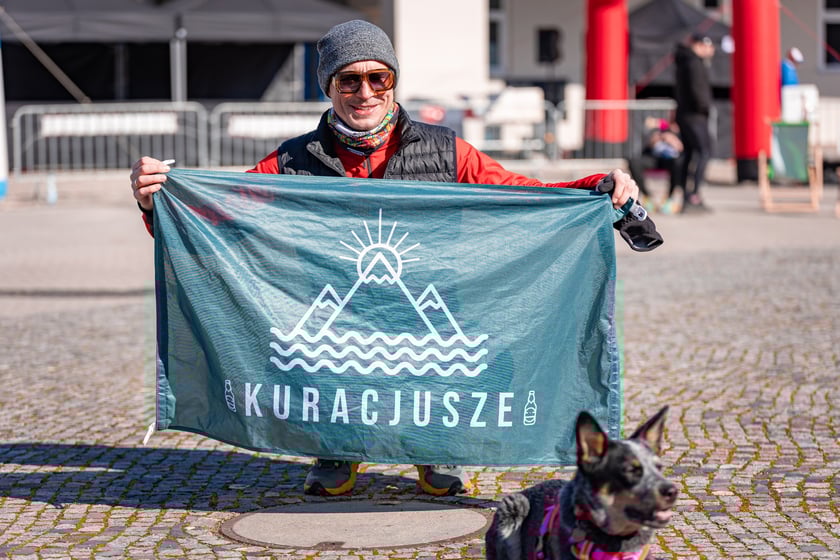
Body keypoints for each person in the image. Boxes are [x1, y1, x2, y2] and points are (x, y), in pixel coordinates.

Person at [129, 20, 639, 498]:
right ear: (328, 87)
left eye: (378, 77)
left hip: (433, 305)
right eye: (348, 80)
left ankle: (436, 445)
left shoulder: (446, 152)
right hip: (335, 317)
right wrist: (159, 202)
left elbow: (523, 195)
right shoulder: (289, 163)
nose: (365, 92)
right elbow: (222, 218)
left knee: (455, 369)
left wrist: (593, 190)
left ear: (394, 82)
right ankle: (336, 445)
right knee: (322, 366)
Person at [673, 33, 715, 213]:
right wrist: (705, 108)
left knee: (689, 154)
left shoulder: (683, 61)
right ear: (700, 45)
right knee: (704, 151)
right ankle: (694, 194)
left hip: (684, 114)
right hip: (695, 115)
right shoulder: (694, 63)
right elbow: (698, 91)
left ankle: (684, 193)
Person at [627, 116, 684, 214]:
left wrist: (672, 140)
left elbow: (681, 149)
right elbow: (648, 144)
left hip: (670, 160)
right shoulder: (657, 130)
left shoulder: (679, 132)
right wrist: (657, 139)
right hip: (654, 158)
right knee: (634, 162)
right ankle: (646, 196)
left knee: (678, 163)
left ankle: (670, 197)